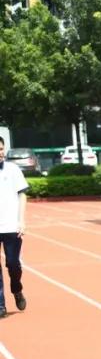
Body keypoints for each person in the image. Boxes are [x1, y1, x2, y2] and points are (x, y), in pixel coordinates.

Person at [0, 135, 28, 318]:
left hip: (11, 225)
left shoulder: (13, 169)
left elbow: (22, 194)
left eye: (1, 149)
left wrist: (21, 220)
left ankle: (16, 288)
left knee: (13, 264)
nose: (0, 153)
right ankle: (0, 305)